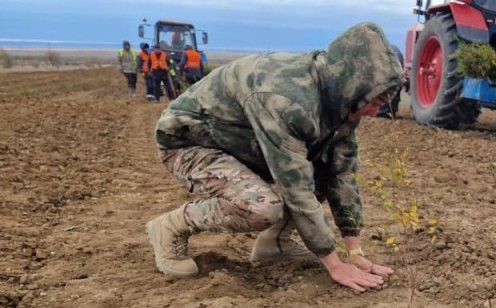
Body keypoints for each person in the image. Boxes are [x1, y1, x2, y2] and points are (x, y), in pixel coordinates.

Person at [145, 22, 402, 293]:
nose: (374, 113)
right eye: (374, 103)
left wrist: (354, 251)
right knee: (261, 207)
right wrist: (334, 264)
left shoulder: (341, 102)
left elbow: (342, 173)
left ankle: (274, 243)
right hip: (190, 142)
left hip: (243, 143)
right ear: (354, 86)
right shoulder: (287, 99)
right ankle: (172, 225)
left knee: (324, 173)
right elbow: (295, 186)